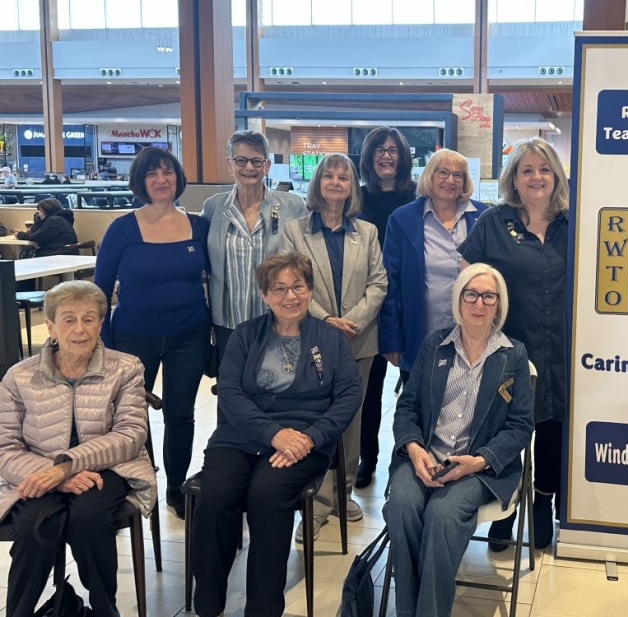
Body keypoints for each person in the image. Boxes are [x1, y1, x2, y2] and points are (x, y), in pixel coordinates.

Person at [192, 253, 363, 617]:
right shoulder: (245, 334)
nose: (291, 296)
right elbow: (232, 393)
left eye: (298, 287)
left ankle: (263, 607)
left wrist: (312, 437)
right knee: (218, 492)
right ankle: (208, 600)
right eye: (279, 289)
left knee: (267, 494)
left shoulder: (329, 339)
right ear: (264, 295)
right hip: (241, 435)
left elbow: (349, 394)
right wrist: (273, 433)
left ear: (309, 290)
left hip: (304, 441)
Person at [382, 263, 534, 617]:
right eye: (471, 294)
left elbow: (521, 426)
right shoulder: (435, 345)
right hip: (424, 457)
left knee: (443, 513)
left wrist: (479, 460)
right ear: (459, 299)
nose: (478, 303)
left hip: (478, 467)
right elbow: (407, 407)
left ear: (499, 304)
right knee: (402, 507)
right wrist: (415, 449)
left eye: (488, 296)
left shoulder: (513, 355)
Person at [0, 280, 157, 617]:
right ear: (51, 326)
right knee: (33, 525)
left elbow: (131, 436)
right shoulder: (19, 376)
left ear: (101, 324)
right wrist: (55, 476)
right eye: (68, 319)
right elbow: (5, 446)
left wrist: (66, 466)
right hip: (38, 470)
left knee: (88, 517)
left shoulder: (126, 367)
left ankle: (104, 608)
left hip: (110, 468)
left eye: (89, 319)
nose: (80, 329)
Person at [458, 137, 569, 550]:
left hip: (560, 348)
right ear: (514, 179)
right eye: (527, 170)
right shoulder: (493, 221)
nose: (536, 177)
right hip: (508, 349)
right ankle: (503, 503)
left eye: (544, 169)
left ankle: (543, 503)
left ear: (556, 175)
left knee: (553, 428)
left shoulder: (572, 222)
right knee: (508, 429)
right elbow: (469, 280)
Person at [94, 147, 210, 519]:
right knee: (132, 418)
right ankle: (140, 482)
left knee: (180, 414)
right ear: (140, 182)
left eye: (167, 172)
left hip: (189, 334)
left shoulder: (198, 226)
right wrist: (107, 346)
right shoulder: (122, 229)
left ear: (177, 176)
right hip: (132, 337)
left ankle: (175, 487)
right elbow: (99, 290)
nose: (162, 180)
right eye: (152, 174)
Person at [280, 152, 387, 539]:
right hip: (310, 336)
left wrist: (352, 322)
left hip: (359, 341)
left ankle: (343, 493)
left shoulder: (368, 232)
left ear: (352, 186)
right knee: (313, 417)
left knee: (351, 419)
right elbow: (290, 282)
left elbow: (379, 283)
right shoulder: (295, 231)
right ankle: (314, 501)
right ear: (317, 182)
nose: (336, 181)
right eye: (329, 175)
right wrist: (326, 320)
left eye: (344, 176)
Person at [379, 149, 488, 381]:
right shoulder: (402, 219)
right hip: (420, 334)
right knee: (421, 408)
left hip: (474, 334)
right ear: (430, 175)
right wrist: (391, 338)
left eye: (458, 175)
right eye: (443, 173)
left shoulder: (483, 216)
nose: (450, 180)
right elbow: (389, 283)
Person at [201, 129, 307, 362]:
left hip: (277, 318)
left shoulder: (293, 207)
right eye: (241, 160)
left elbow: (306, 263)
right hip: (227, 321)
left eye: (256, 161)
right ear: (230, 164)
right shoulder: (213, 207)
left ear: (267, 166)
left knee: (277, 386)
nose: (249, 168)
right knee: (231, 388)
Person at [356, 127, 418, 489]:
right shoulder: (357, 199)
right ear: (369, 157)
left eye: (393, 150)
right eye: (379, 149)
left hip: (406, 303)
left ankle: (411, 459)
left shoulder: (416, 198)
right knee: (368, 388)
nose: (386, 155)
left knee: (414, 387)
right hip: (365, 303)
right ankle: (367, 457)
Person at [9, 197, 78, 257]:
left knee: (26, 256)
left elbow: (36, 237)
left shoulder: (53, 221)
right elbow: (33, 233)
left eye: (41, 211)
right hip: (63, 252)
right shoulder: (59, 219)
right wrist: (39, 220)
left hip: (58, 254)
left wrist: (20, 235)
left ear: (47, 211)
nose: (39, 214)